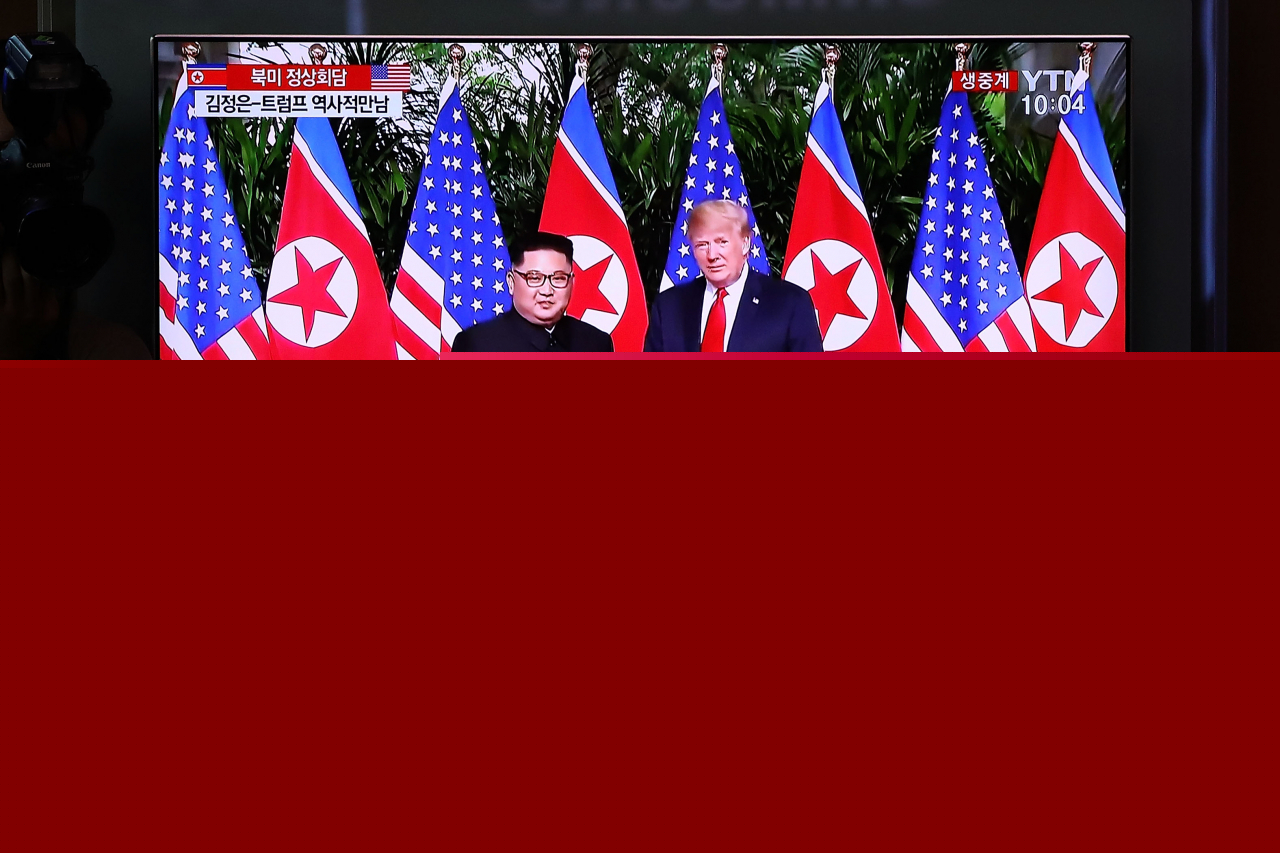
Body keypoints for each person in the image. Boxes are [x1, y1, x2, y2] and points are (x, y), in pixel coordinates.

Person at [644, 200, 823, 353]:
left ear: (745, 244)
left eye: (722, 242)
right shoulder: (668, 306)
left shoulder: (789, 303)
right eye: (702, 245)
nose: (712, 254)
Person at [451, 231, 614, 353]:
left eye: (558, 278)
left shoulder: (596, 343)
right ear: (511, 281)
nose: (547, 290)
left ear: (571, 282)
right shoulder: (476, 345)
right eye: (534, 278)